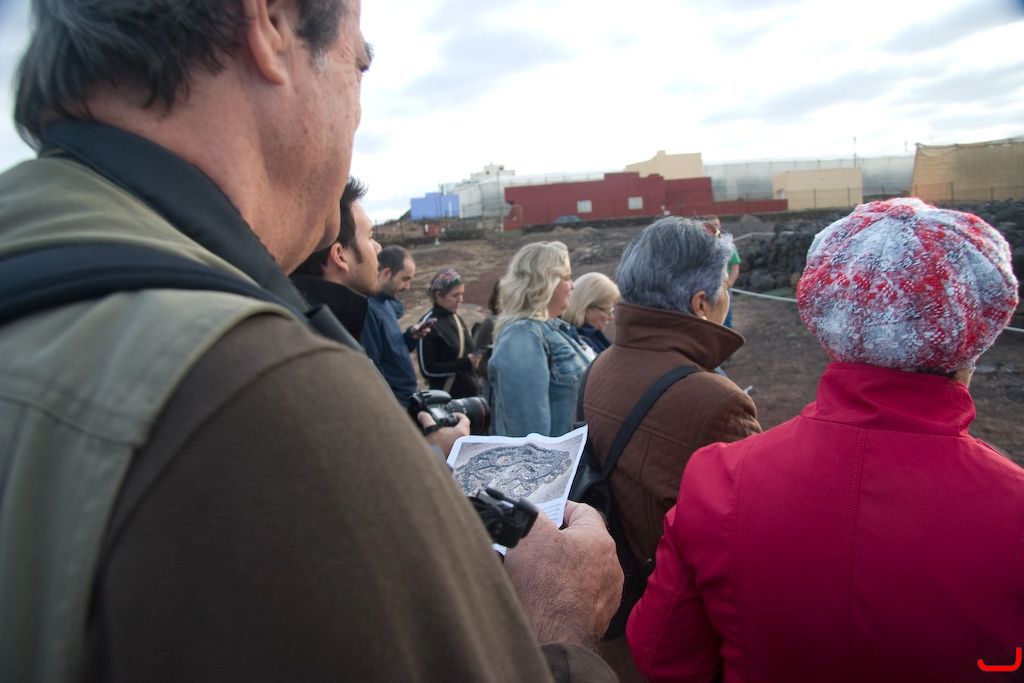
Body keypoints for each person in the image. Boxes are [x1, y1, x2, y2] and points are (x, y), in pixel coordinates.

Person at [0, 2, 624, 681]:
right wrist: (558, 628)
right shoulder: (260, 396)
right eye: (358, 66)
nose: (356, 117)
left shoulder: (49, 281)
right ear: (270, 23)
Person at [628, 199, 1023, 682]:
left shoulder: (719, 482)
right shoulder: (1014, 511)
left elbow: (663, 658)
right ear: (980, 323)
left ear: (828, 314)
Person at [582, 217, 761, 681]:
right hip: (681, 635)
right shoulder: (713, 400)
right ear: (701, 304)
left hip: (621, 617)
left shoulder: (603, 362)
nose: (727, 299)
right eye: (724, 289)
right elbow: (753, 541)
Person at [489, 241, 592, 437]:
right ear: (544, 282)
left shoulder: (554, 329)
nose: (572, 286)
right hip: (561, 456)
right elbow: (530, 436)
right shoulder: (521, 336)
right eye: (566, 277)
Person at [290, 177, 381, 339]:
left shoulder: (297, 319)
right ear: (340, 256)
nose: (378, 248)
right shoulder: (322, 342)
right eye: (369, 237)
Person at [362, 244, 433, 405]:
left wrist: (410, 336)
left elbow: (390, 351)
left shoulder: (386, 303)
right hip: (395, 403)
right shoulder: (368, 309)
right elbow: (374, 370)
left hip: (406, 399)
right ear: (386, 273)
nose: (407, 287)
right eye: (405, 279)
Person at [417, 268, 484, 399]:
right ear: (438, 296)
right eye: (455, 295)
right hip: (447, 399)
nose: (460, 300)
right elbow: (428, 370)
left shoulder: (456, 318)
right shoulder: (428, 325)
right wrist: (466, 363)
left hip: (470, 395)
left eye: (462, 294)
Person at [562, 271, 619, 355]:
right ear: (587, 309)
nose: (611, 316)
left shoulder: (595, 340)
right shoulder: (580, 344)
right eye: (607, 310)